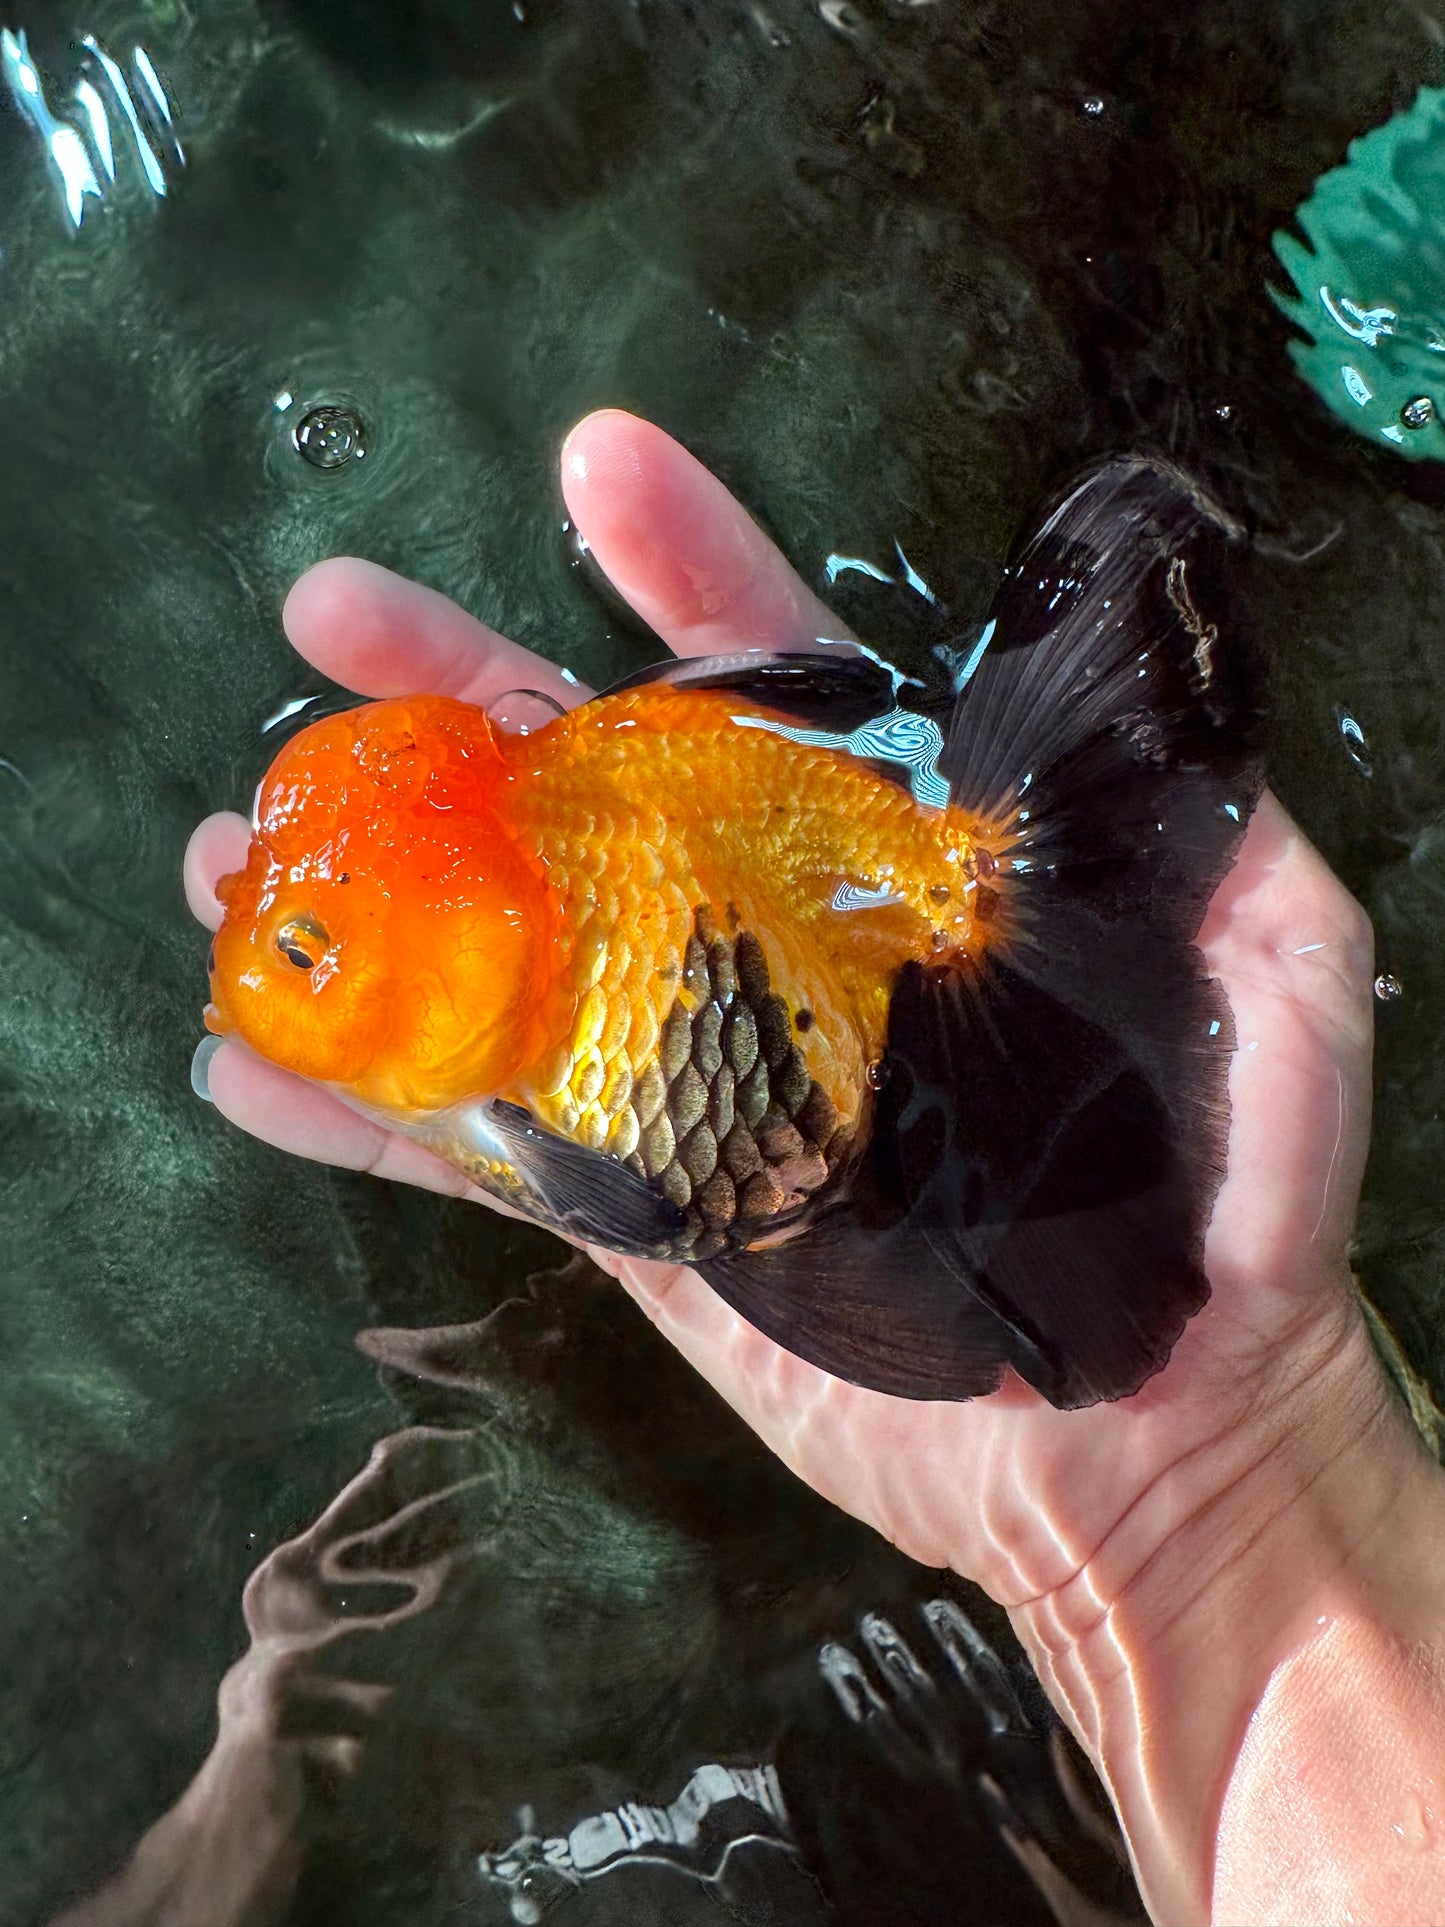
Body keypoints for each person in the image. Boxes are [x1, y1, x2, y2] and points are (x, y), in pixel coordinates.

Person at [185, 409, 1445, 1927]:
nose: (265, 954)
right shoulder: (537, 933)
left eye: (307, 945)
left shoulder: (589, 890)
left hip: (846, 953)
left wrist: (1222, 1475)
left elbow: (645, 1205)